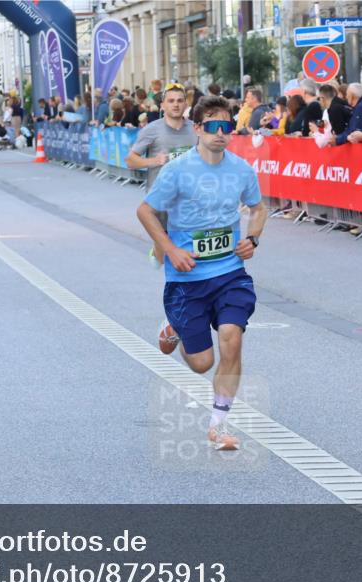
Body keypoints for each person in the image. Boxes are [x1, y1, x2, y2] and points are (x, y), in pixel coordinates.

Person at [136, 94, 267, 451]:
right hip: (188, 277)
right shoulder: (177, 171)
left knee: (232, 337)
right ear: (198, 129)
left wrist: (252, 238)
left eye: (227, 126)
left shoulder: (241, 169)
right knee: (201, 363)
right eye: (213, 126)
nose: (221, 133)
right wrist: (171, 249)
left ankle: (219, 425)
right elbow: (146, 211)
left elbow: (258, 208)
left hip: (229, 272)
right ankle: (174, 325)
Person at [126, 82, 195, 266]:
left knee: (184, 248)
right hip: (160, 197)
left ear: (186, 104)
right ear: (163, 105)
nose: (176, 104)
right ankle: (158, 248)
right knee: (163, 249)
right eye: (171, 101)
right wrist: (154, 161)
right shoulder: (152, 129)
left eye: (180, 100)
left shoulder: (195, 129)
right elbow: (131, 160)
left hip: (188, 197)